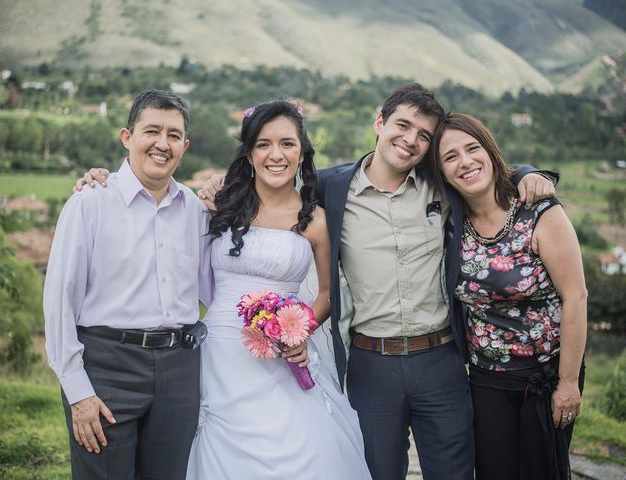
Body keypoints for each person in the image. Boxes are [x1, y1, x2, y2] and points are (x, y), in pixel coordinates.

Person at [199, 83, 557, 480]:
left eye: (423, 135)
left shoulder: (442, 186)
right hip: (372, 365)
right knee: (376, 472)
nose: (410, 140)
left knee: (455, 473)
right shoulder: (332, 190)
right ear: (379, 122)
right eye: (402, 125)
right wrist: (220, 182)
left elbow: (481, 171)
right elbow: (270, 185)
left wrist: (530, 174)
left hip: (440, 359)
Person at [76, 100, 371, 479]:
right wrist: (104, 178)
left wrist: (300, 333)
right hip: (218, 355)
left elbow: (328, 295)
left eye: (287, 144)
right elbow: (158, 207)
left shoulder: (314, 220)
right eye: (263, 144)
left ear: (302, 152)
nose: (275, 154)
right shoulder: (219, 206)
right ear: (249, 154)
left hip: (284, 357)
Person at [44, 89, 213, 480]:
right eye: (151, 131)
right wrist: (78, 391)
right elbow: (58, 303)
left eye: (173, 135)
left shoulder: (195, 211)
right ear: (127, 137)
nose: (162, 143)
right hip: (106, 366)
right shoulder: (89, 204)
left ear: (184, 146)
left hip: (179, 370)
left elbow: (215, 291)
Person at [429, 112, 586, 480]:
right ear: (441, 171)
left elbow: (576, 297)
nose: (465, 162)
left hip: (544, 376)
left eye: (472, 148)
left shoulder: (539, 211)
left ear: (490, 150)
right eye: (450, 157)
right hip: (485, 377)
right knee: (494, 472)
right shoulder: (452, 222)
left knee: (540, 472)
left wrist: (567, 383)